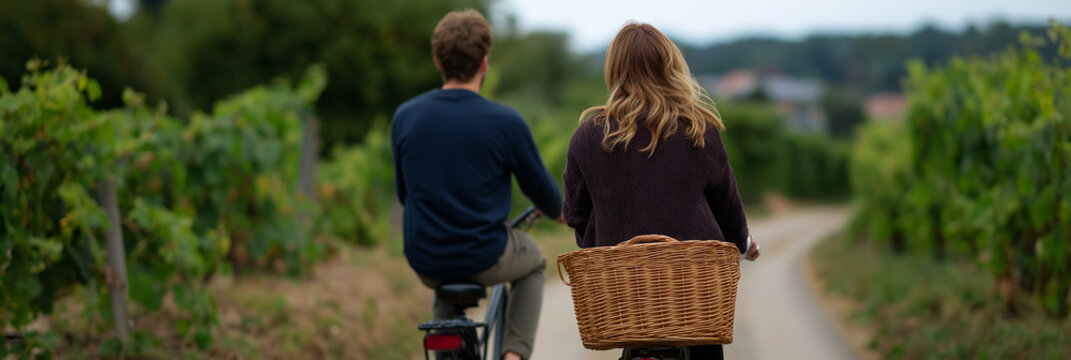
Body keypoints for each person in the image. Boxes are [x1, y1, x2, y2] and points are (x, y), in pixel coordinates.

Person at [562, 22, 760, 359]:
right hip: (694, 285)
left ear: (614, 70)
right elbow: (728, 208)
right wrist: (743, 244)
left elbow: (575, 215)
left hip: (624, 290)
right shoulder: (698, 129)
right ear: (669, 66)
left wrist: (607, 248)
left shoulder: (588, 135)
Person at [390, 9, 562, 360]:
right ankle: (514, 355)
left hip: (425, 258)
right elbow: (544, 194)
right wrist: (560, 213)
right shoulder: (506, 122)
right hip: (484, 255)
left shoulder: (405, 117)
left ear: (437, 60)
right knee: (533, 260)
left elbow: (404, 194)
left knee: (443, 273)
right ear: (485, 63)